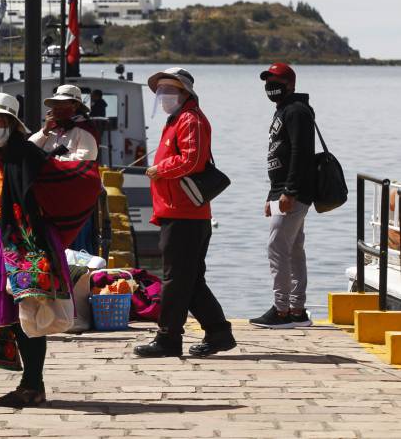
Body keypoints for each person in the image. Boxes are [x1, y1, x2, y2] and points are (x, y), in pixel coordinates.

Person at [0, 93, 100, 408]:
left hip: (26, 241)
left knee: (31, 311)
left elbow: (63, 181)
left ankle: (33, 384)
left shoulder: (26, 154)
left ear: (10, 123)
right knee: (14, 315)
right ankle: (29, 384)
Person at [133, 67, 236, 358]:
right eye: (161, 89)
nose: (164, 94)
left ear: (185, 92)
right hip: (176, 210)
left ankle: (168, 338)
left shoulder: (191, 119)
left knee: (176, 278)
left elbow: (192, 160)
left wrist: (159, 169)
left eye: (170, 89)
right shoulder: (176, 120)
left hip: (185, 213)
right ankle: (218, 332)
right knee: (189, 279)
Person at [251, 62, 316, 329]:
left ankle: (281, 312)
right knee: (293, 249)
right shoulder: (283, 110)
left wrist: (289, 192)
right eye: (267, 82)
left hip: (293, 191)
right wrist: (272, 195)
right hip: (282, 191)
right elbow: (279, 155)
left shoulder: (297, 111)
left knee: (277, 247)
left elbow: (301, 153)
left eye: (276, 82)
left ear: (290, 84)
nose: (270, 87)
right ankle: (297, 311)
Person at [29, 84, 98, 161]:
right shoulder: (51, 127)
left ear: (75, 105)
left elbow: (87, 158)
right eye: (55, 103)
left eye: (62, 102)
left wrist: (54, 159)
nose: (57, 107)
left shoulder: (85, 129)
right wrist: (45, 131)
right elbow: (28, 149)